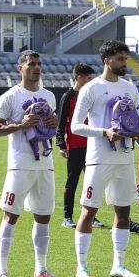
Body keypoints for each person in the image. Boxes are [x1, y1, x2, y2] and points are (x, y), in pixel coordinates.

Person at [0, 51, 65, 277]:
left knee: (44, 216)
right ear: (20, 68)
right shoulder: (10, 96)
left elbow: (50, 126)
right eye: (31, 64)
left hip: (45, 164)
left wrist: (54, 123)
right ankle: (2, 272)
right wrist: (20, 124)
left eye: (39, 64)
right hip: (20, 166)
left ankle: (41, 270)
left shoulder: (49, 96)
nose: (37, 68)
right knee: (11, 215)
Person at [70, 40, 139, 277]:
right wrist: (105, 132)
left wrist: (134, 132)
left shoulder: (130, 88)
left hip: (124, 158)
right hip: (99, 159)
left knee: (123, 212)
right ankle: (82, 267)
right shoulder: (91, 89)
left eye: (125, 58)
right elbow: (76, 126)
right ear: (107, 61)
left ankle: (119, 265)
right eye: (120, 59)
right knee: (89, 210)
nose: (124, 63)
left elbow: (136, 122)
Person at [57, 63, 96, 229]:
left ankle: (91, 217)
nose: (91, 82)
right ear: (79, 78)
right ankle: (67, 216)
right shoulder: (68, 97)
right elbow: (61, 123)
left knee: (92, 182)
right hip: (75, 146)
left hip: (93, 146)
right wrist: (61, 144)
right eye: (88, 79)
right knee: (72, 181)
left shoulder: (92, 95)